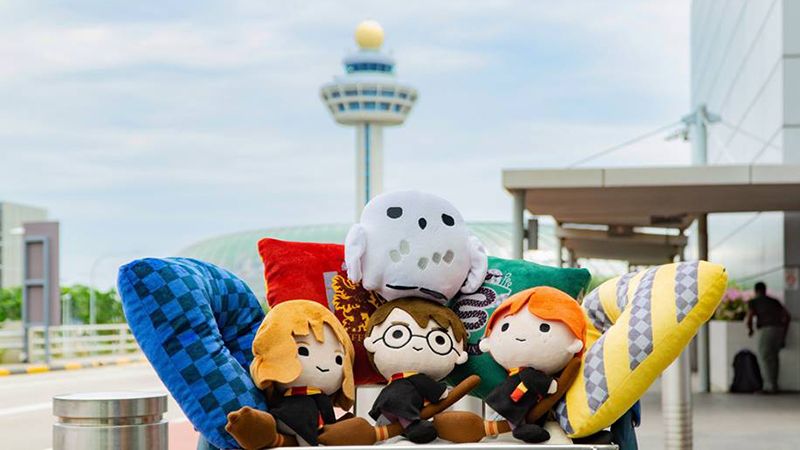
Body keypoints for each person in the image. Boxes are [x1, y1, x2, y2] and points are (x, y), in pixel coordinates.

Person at [745, 281, 791, 393]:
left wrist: (750, 330)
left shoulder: (754, 301)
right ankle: (774, 385)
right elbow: (787, 316)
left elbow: (749, 317)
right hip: (779, 329)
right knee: (774, 358)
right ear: (765, 290)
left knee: (765, 357)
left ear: (756, 291)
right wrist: (783, 334)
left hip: (766, 329)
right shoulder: (774, 301)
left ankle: (768, 387)